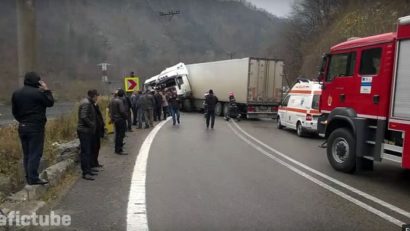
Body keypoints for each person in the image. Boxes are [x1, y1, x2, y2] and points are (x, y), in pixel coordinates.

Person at [11, 72, 54, 185]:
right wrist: (46, 89)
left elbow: (14, 112)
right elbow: (50, 102)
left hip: (23, 126)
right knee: (35, 152)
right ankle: (34, 178)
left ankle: (29, 177)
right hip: (36, 127)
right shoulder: (38, 93)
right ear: (37, 81)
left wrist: (22, 121)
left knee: (27, 154)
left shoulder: (16, 93)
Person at [77, 90, 100, 181]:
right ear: (93, 96)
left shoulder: (88, 102)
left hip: (87, 131)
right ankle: (85, 172)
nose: (97, 98)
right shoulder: (86, 103)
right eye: (96, 96)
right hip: (84, 131)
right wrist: (92, 124)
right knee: (85, 152)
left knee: (88, 151)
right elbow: (83, 116)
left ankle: (88, 169)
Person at [110, 89, 128, 155]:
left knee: (117, 134)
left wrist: (112, 118)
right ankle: (119, 149)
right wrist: (126, 116)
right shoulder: (120, 101)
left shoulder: (112, 100)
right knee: (121, 135)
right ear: (123, 94)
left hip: (115, 119)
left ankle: (116, 148)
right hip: (120, 119)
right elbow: (122, 111)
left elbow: (111, 111)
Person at [91, 92, 105, 169]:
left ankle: (95, 162)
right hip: (94, 130)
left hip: (97, 129)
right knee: (94, 147)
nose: (99, 98)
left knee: (97, 147)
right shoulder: (91, 106)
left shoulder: (95, 105)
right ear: (95, 97)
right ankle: (93, 163)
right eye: (98, 97)